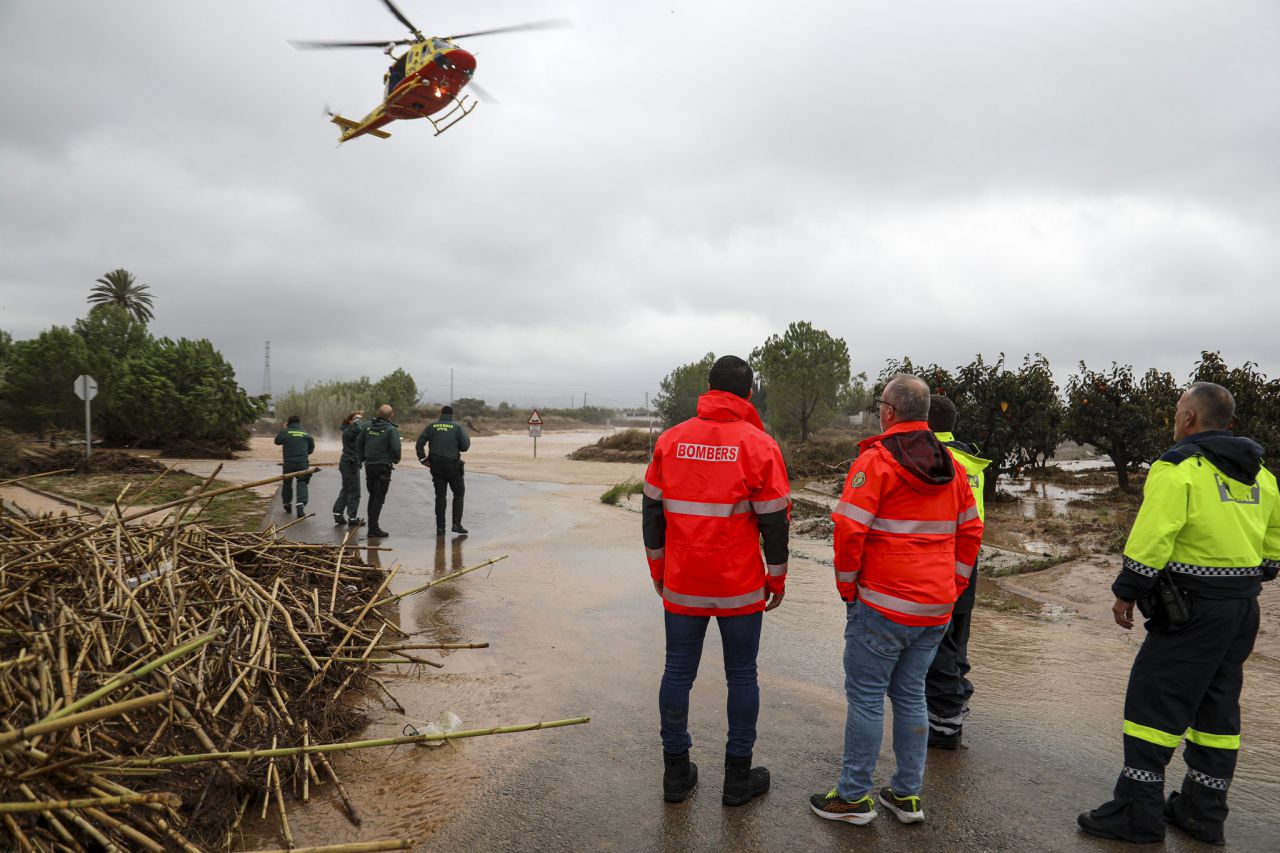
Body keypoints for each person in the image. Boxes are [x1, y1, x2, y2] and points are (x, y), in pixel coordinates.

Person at [1078, 382, 1279, 845]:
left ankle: (1136, 812)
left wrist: (1127, 590)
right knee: (1217, 707)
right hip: (1242, 609)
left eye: (1176, 412)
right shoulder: (1262, 474)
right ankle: (1203, 811)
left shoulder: (1179, 467)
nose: (1174, 420)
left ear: (1189, 417)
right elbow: (1273, 550)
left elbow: (1153, 536)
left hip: (1190, 608)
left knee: (1153, 702)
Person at [811, 374, 982, 827]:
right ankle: (906, 796)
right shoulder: (955, 468)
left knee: (866, 698)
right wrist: (954, 585)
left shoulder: (876, 462)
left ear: (888, 411)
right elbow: (972, 531)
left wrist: (849, 589)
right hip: (934, 609)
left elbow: (849, 530)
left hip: (882, 606)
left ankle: (852, 797)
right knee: (910, 695)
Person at [642, 355, 790, 807]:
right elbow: (776, 521)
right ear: (748, 393)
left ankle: (675, 775)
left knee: (677, 673)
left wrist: (658, 572)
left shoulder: (670, 440)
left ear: (708, 388)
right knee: (742, 677)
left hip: (683, 583)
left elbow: (651, 514)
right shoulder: (760, 445)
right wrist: (777, 578)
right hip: (740, 587)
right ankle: (736, 780)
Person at [924, 395, 990, 750]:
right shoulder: (970, 458)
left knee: (940, 648)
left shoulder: (936, 459)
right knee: (957, 643)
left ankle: (945, 725)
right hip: (969, 562)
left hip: (943, 564)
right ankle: (956, 706)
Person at [416, 404, 472, 536]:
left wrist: (423, 459)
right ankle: (456, 525)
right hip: (453, 466)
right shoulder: (457, 427)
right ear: (452, 414)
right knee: (458, 494)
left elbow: (419, 443)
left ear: (441, 413)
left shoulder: (432, 426)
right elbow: (465, 447)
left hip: (436, 466)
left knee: (440, 496)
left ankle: (440, 528)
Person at [356, 404, 401, 539]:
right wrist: (396, 459)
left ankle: (373, 527)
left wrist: (362, 457)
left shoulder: (367, 426)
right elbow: (396, 448)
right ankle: (373, 529)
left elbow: (359, 443)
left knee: (373, 496)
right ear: (391, 415)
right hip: (383, 467)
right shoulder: (391, 429)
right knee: (378, 498)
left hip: (369, 466)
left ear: (378, 413)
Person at [274, 415, 315, 518]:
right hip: (302, 463)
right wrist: (304, 454)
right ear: (299, 423)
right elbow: (311, 449)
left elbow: (277, 441)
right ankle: (300, 504)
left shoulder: (285, 432)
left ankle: (287, 504)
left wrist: (285, 429)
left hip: (288, 463)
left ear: (288, 423)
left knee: (287, 482)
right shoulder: (306, 434)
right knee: (302, 483)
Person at [332, 411, 364, 526]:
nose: (359, 421)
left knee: (346, 489)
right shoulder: (349, 431)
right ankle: (353, 518)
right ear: (350, 420)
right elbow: (356, 430)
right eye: (356, 419)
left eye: (360, 419)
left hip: (349, 462)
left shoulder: (352, 430)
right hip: (349, 463)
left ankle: (338, 513)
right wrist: (357, 422)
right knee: (354, 491)